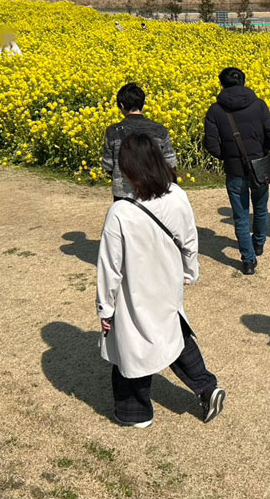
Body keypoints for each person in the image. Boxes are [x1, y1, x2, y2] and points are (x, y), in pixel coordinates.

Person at [96, 133, 226, 428]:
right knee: (174, 335)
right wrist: (190, 273)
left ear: (128, 171)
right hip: (168, 284)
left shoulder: (120, 213)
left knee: (131, 348)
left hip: (135, 291)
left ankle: (135, 412)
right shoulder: (177, 195)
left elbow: (109, 267)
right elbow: (190, 240)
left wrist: (105, 309)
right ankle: (207, 388)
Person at [203, 67, 270, 275]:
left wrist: (227, 156)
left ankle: (248, 261)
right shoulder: (258, 105)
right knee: (261, 208)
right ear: (244, 82)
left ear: (222, 85)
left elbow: (211, 144)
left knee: (240, 215)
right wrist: (261, 152)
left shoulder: (215, 111)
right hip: (259, 167)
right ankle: (258, 245)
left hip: (234, 171)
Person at [102, 82, 178, 201]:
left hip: (123, 193)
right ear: (142, 104)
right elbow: (171, 162)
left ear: (121, 105)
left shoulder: (113, 131)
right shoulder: (159, 129)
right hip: (154, 190)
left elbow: (108, 165)